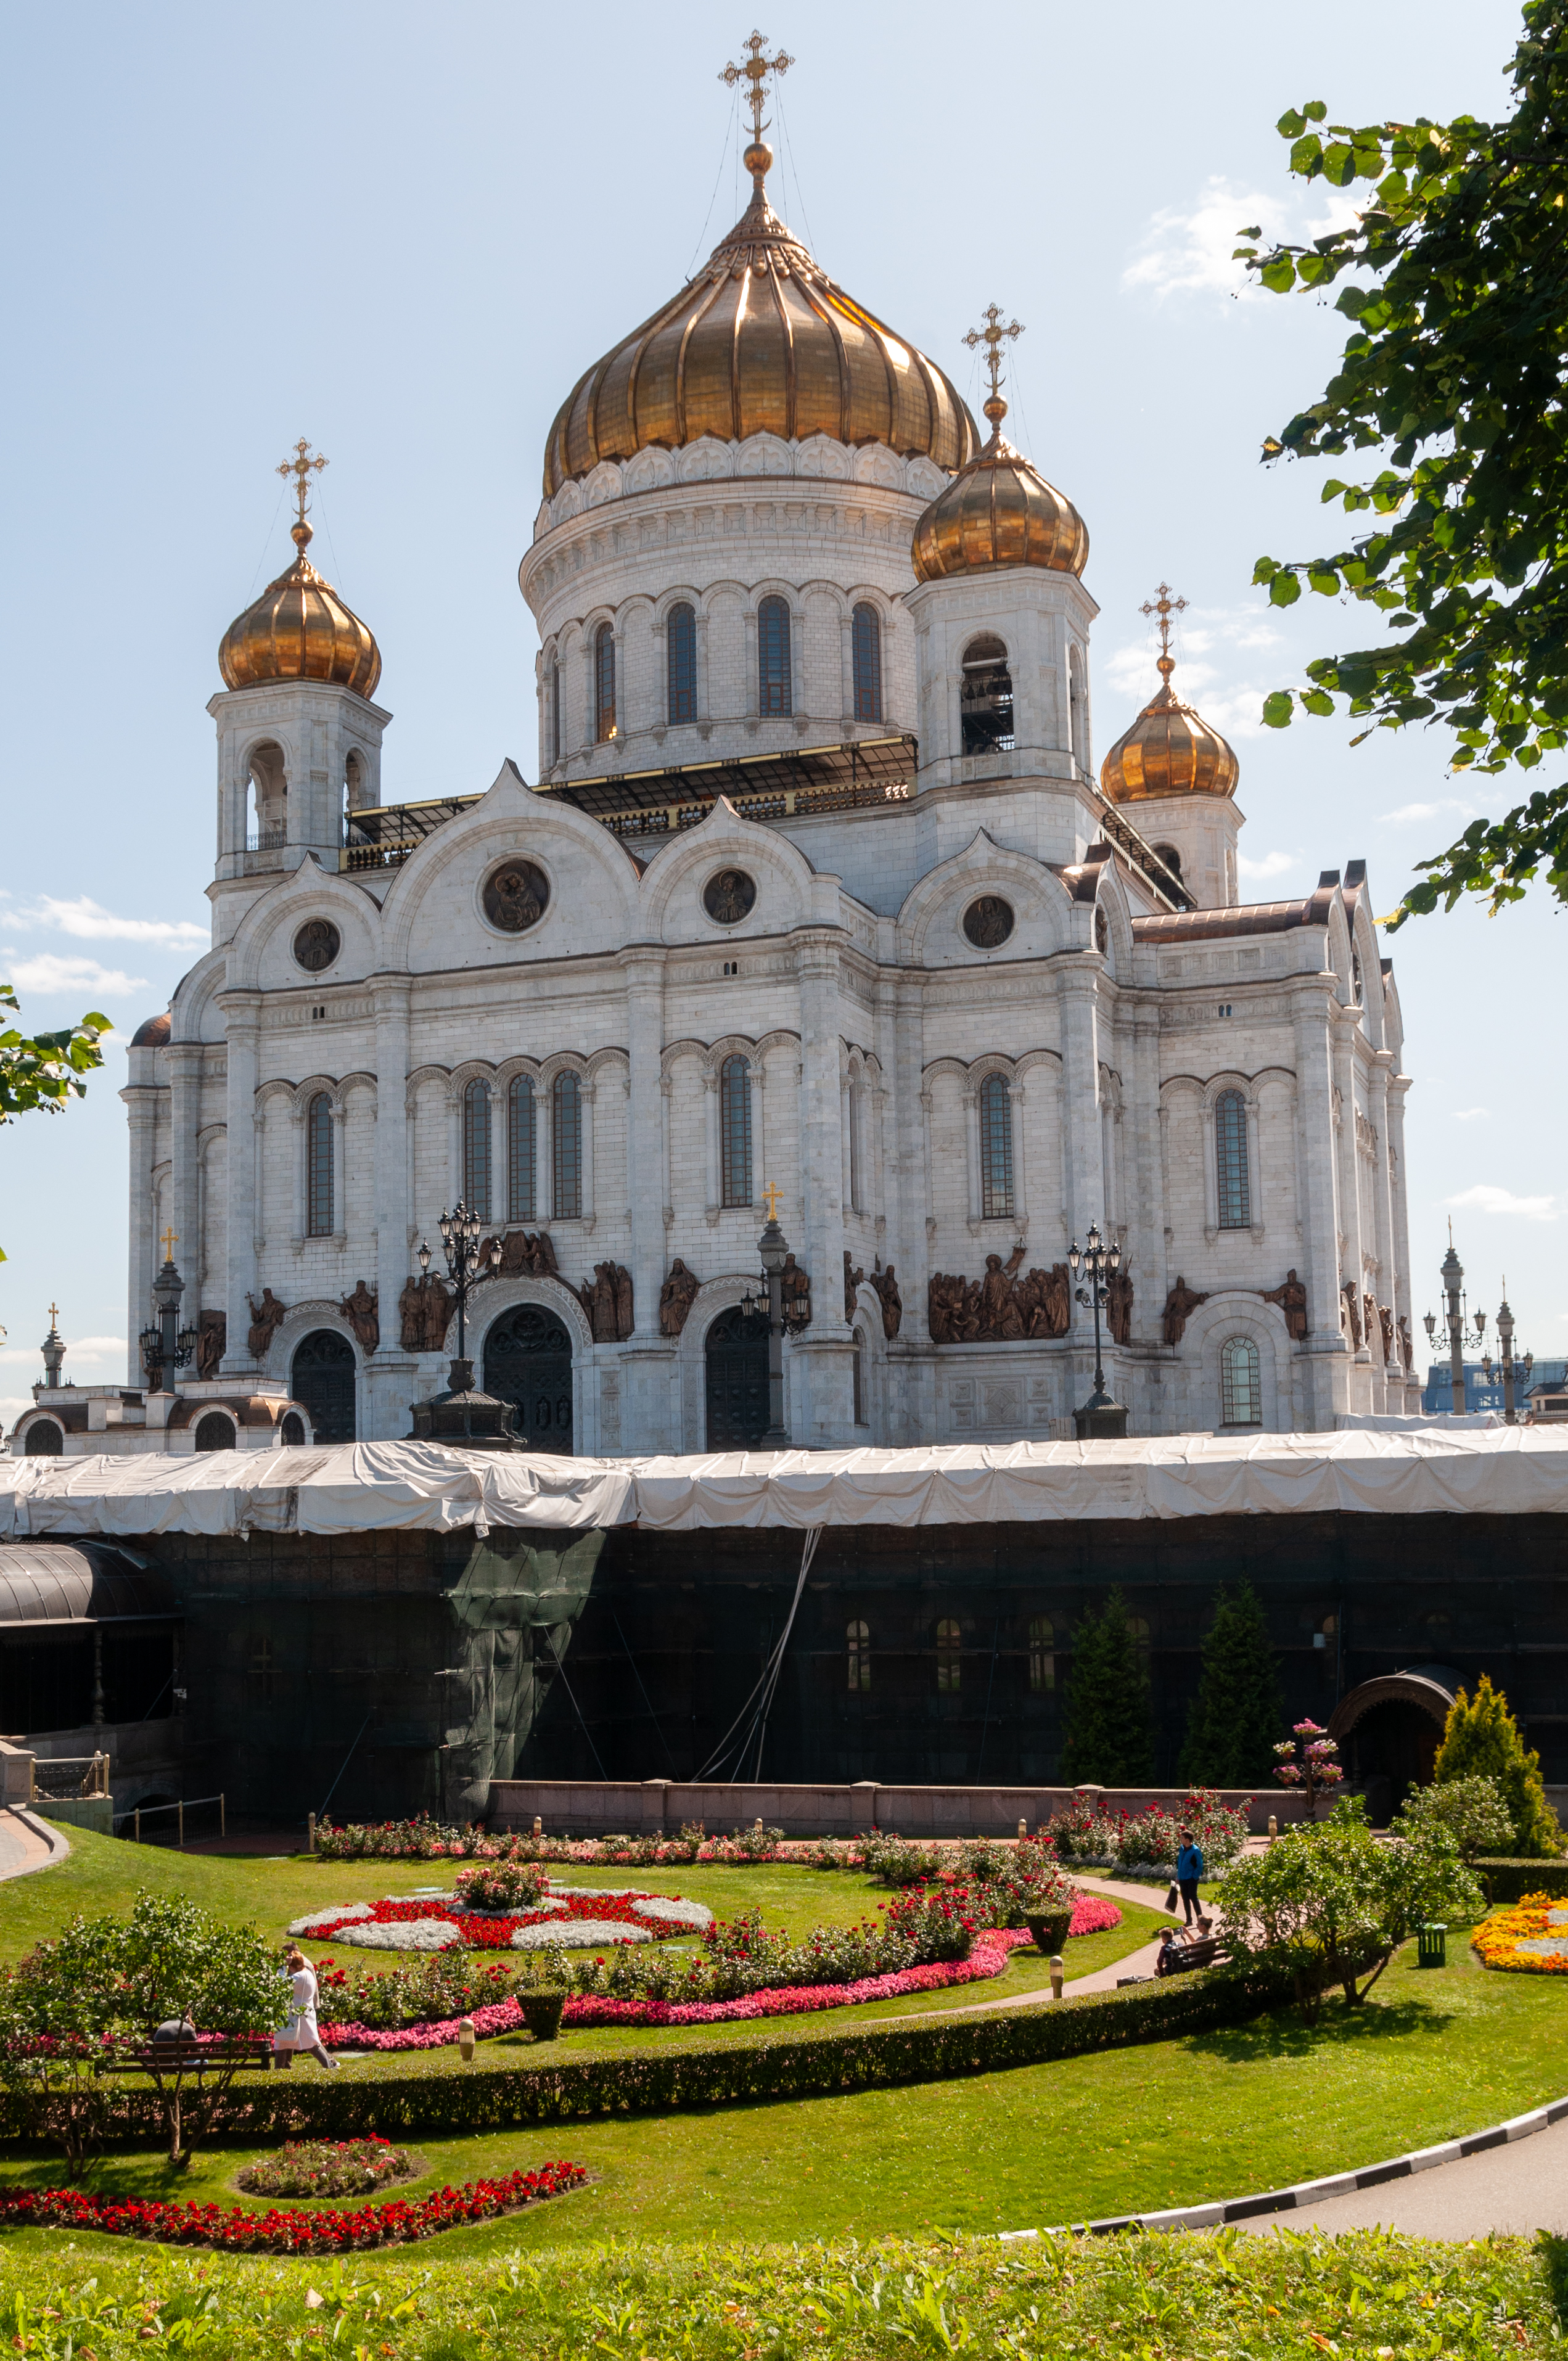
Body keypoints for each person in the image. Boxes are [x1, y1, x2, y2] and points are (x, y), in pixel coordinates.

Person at [273, 1946, 339, 2071]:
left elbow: (279, 1984)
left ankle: (331, 2069)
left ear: (292, 1967)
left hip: (298, 2018)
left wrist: (282, 1966)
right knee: (287, 2044)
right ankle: (331, 2068)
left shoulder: (299, 1978)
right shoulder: (306, 1973)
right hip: (303, 2016)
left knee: (311, 2045)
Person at [1175, 1828, 1206, 1926]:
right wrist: (1178, 1876)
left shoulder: (1195, 1851)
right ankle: (1189, 1920)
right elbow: (1180, 1863)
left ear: (1187, 1840)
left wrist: (1194, 1876)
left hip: (1191, 1879)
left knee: (1194, 1898)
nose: (1181, 1839)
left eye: (1182, 1838)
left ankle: (1201, 1921)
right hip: (1183, 1878)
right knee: (1185, 1899)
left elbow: (1200, 1865)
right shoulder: (1182, 1848)